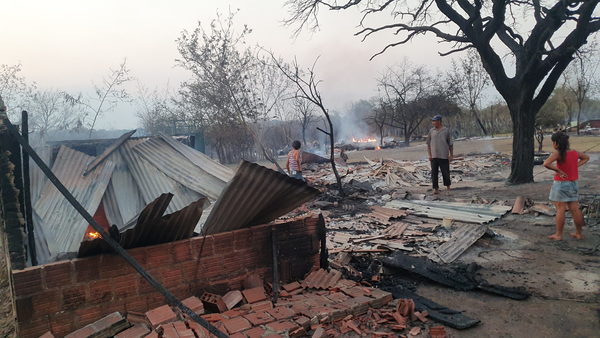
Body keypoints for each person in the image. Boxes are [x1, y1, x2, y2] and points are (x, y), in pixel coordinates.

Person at [543, 132, 589, 240]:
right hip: (573, 183)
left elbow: (546, 163)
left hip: (561, 184)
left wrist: (558, 170)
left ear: (556, 143)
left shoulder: (558, 153)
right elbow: (586, 157)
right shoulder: (574, 152)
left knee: (560, 209)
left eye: (553, 142)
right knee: (575, 209)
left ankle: (558, 235)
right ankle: (579, 233)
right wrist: (576, 166)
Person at [426, 114, 453, 194]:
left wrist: (451, 155)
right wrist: (430, 155)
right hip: (434, 156)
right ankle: (435, 188)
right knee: (434, 173)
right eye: (433, 121)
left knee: (446, 172)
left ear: (439, 121)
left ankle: (448, 187)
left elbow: (450, 144)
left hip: (443, 155)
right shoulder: (431, 131)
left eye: (435, 121)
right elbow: (428, 143)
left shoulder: (446, 130)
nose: (433, 123)